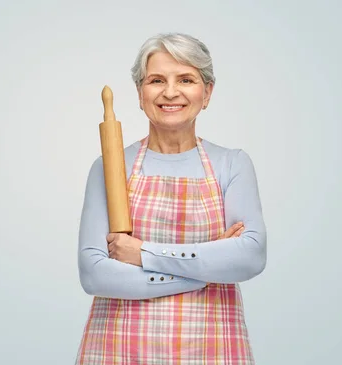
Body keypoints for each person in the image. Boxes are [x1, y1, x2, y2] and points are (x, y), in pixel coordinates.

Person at [75, 32, 267, 365]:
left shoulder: (232, 164)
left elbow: (249, 257)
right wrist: (205, 272)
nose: (170, 92)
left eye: (186, 79)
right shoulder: (109, 168)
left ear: (207, 93)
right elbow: (95, 275)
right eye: (156, 80)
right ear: (140, 93)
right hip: (119, 347)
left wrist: (143, 252)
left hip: (211, 345)